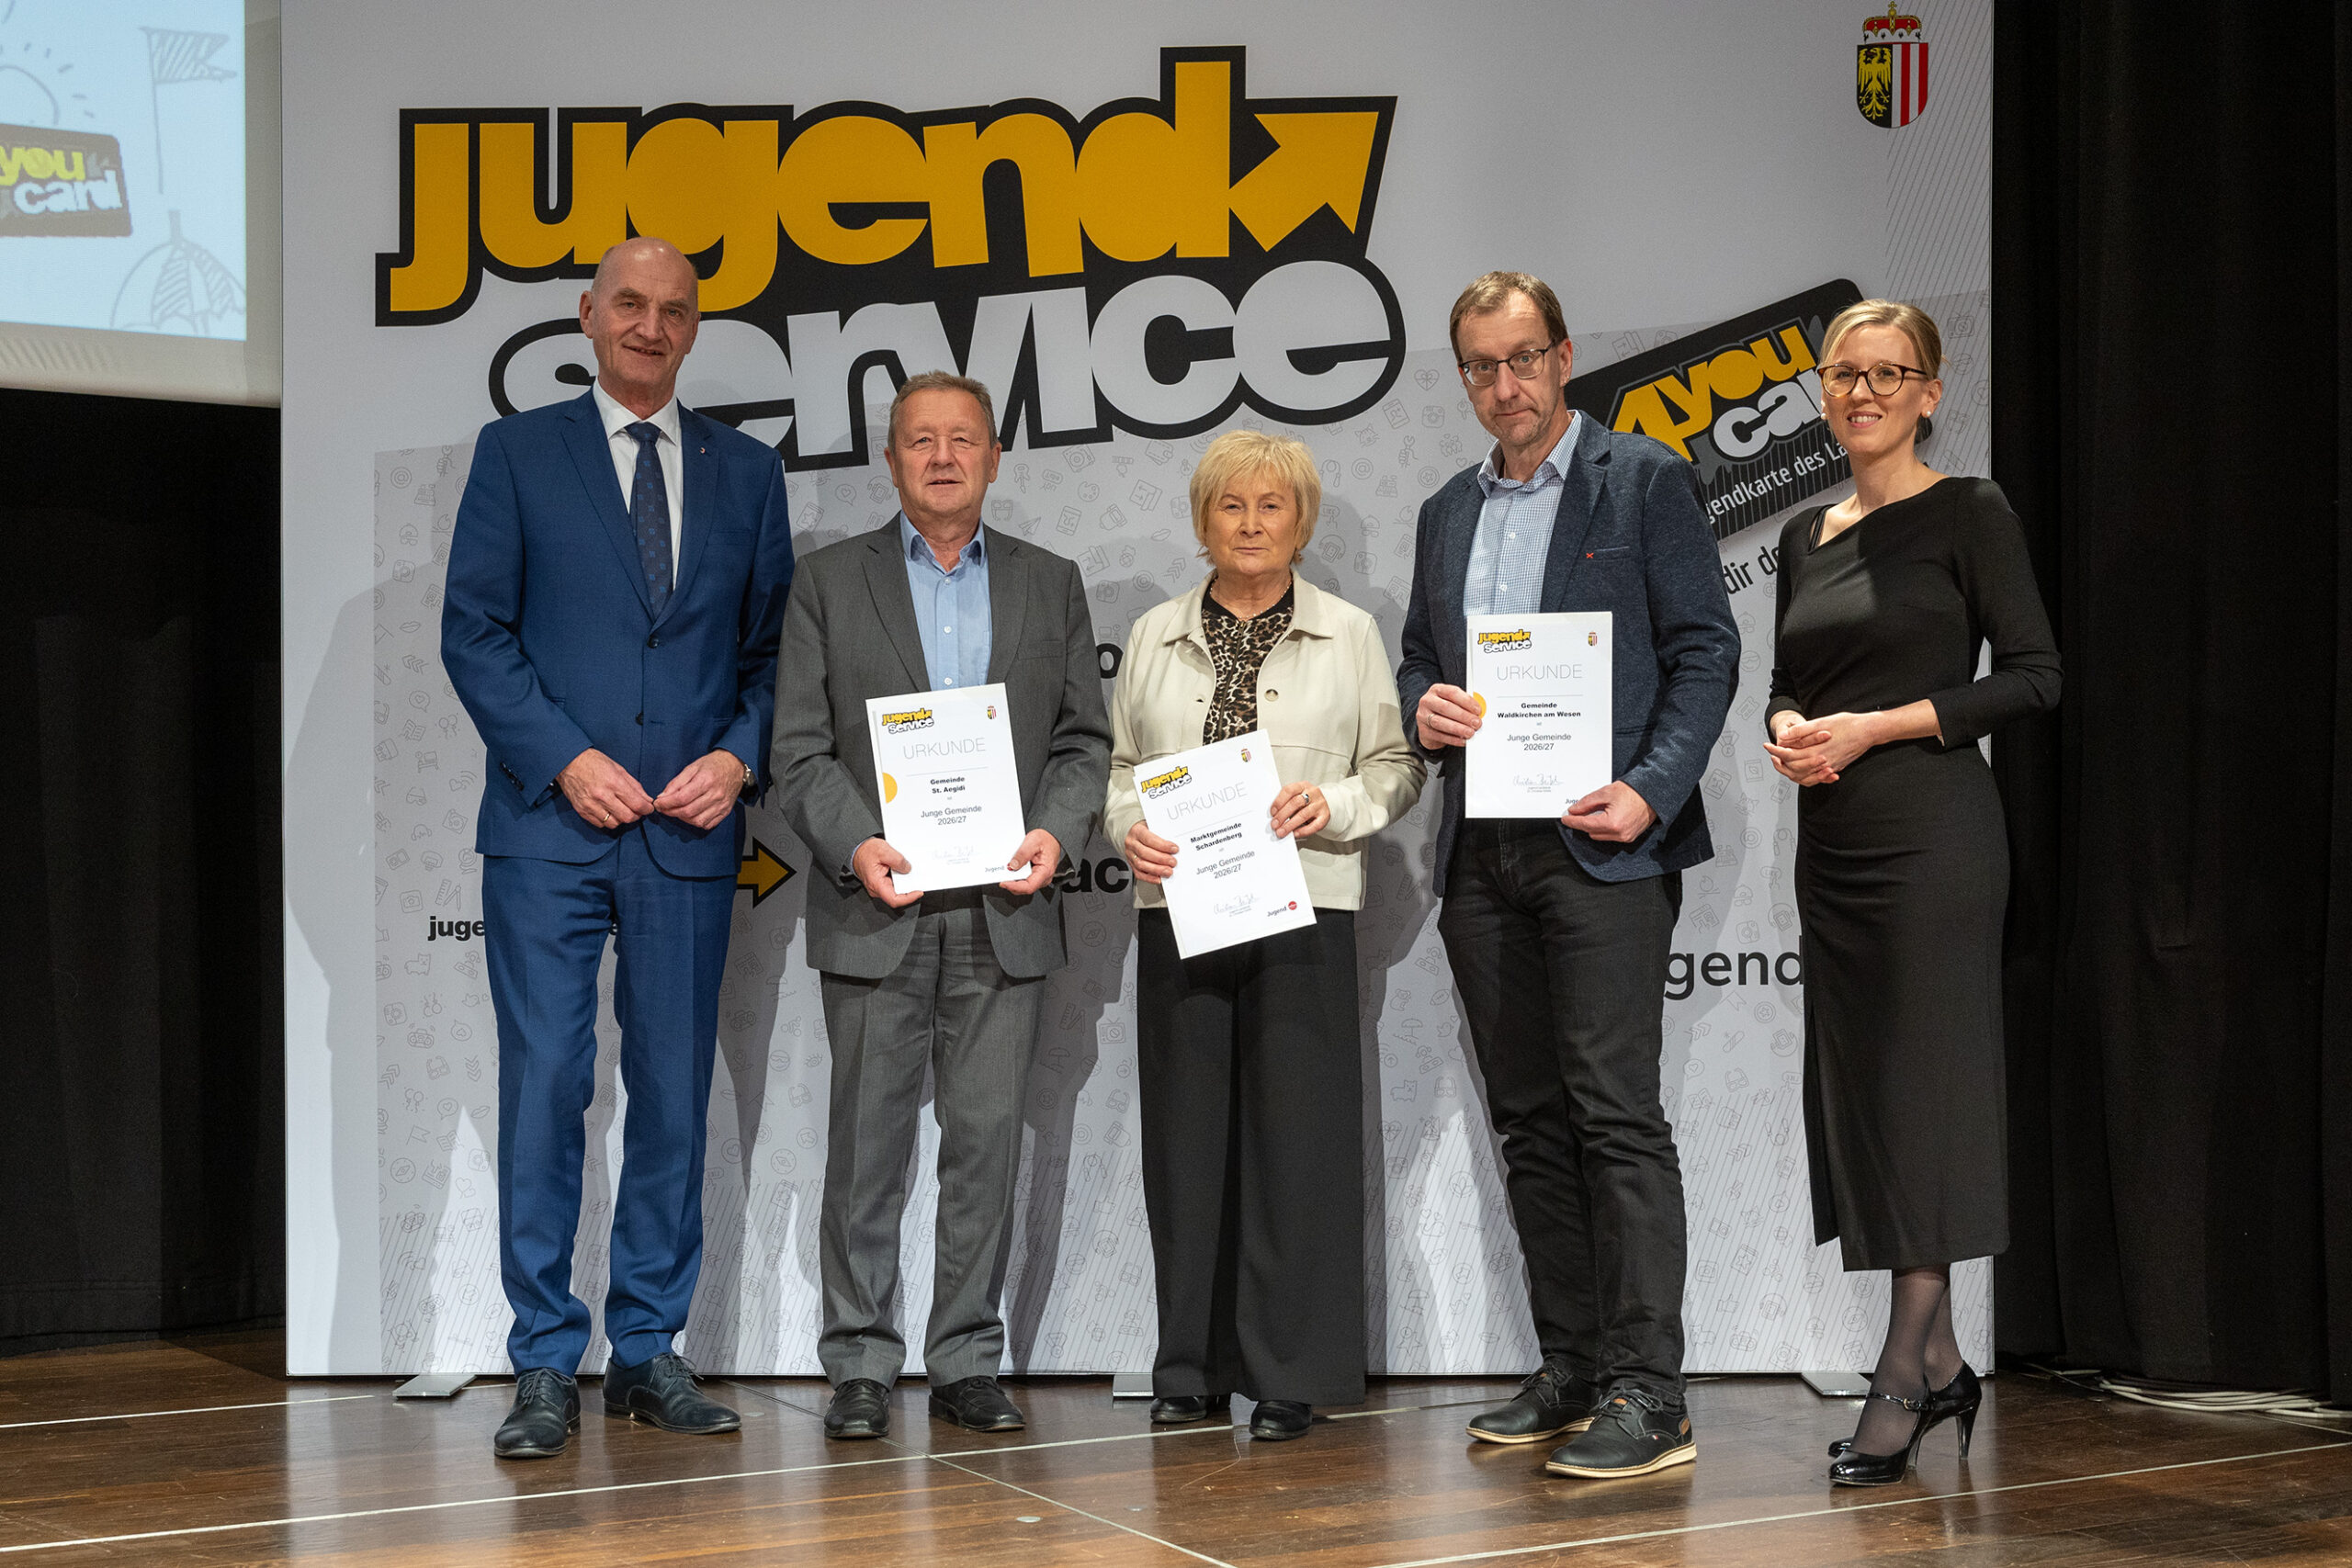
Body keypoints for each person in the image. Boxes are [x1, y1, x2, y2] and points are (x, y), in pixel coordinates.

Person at [441, 237, 796, 1460]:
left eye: (674, 310)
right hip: (550, 827)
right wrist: (565, 757)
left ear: (694, 328)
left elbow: (769, 655)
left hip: (688, 835)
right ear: (588, 316)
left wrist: (737, 757)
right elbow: (475, 631)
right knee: (547, 1081)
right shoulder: (517, 453)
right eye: (630, 304)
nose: (651, 326)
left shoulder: (748, 472)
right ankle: (545, 1353)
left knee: (673, 1092)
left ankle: (648, 1345)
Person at [1397, 271, 1738, 1479]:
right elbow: (1420, 660)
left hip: (1604, 843)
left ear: (1562, 355)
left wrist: (1650, 787)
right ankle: (1574, 1365)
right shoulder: (1447, 509)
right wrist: (1424, 707)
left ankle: (1652, 1392)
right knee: (1531, 1122)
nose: (1506, 385)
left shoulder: (1640, 480)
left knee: (1614, 1115)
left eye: (1523, 358)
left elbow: (1705, 650)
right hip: (1482, 850)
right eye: (1482, 366)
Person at [771, 371, 1111, 1441]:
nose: (942, 457)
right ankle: (859, 1362)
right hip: (879, 905)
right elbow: (798, 750)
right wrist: (856, 842)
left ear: (994, 457)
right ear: (890, 460)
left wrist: (1054, 832)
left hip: (1005, 910)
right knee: (865, 1150)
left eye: (962, 439)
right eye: (920, 440)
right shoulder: (828, 583)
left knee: (984, 1147)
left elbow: (1082, 744)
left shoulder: (1050, 583)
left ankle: (966, 1357)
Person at [1762, 300, 2059, 1486]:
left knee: (1925, 1096)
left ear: (1930, 393)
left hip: (1934, 838)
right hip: (1833, 845)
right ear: (1822, 392)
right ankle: (1939, 1362)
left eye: (1890, 374)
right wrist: (1791, 724)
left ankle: (1903, 1370)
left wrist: (1875, 726)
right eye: (1846, 373)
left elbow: (2034, 676)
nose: (1865, 392)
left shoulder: (1970, 510)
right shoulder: (1802, 532)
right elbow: (1786, 676)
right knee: (1872, 1099)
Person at [1105, 430, 1425, 1442]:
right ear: (1202, 521)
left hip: (1305, 908)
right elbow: (1120, 773)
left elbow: (1396, 767)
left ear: (1303, 521)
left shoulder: (1351, 632)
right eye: (1231, 505)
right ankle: (1190, 1364)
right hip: (1181, 910)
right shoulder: (1152, 633)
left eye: (1271, 505)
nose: (1250, 524)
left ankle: (1292, 1371)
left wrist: (1333, 805)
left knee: (1300, 1143)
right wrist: (1128, 829)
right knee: (1186, 1142)